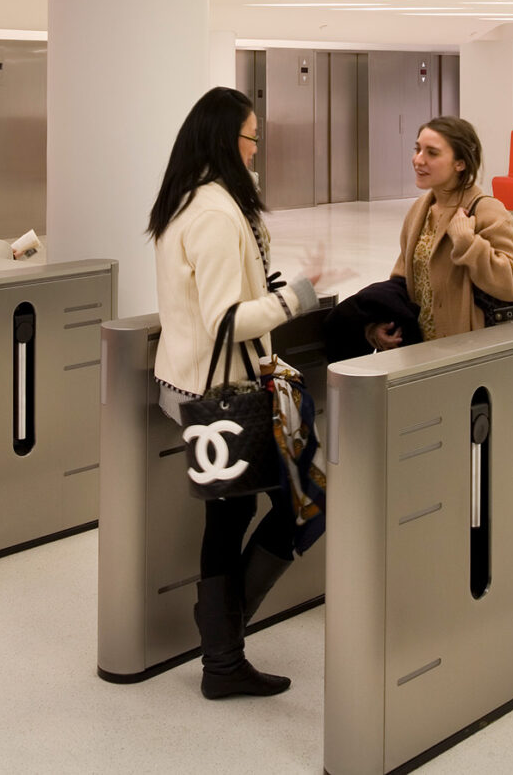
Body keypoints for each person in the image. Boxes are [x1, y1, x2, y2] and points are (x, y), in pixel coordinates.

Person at [148, 86, 328, 700]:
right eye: (253, 137)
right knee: (287, 508)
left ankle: (221, 641)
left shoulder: (191, 200)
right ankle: (222, 650)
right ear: (230, 139)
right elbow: (228, 318)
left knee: (236, 516)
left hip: (194, 384)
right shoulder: (217, 213)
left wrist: (273, 281)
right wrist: (297, 298)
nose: (257, 149)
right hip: (221, 393)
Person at [365, 116, 513, 352]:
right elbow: (404, 278)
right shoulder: (420, 210)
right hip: (420, 349)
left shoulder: (487, 211)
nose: (418, 160)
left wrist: (468, 243)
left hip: (466, 352)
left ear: (460, 163)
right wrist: (383, 322)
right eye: (417, 149)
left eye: (432, 153)